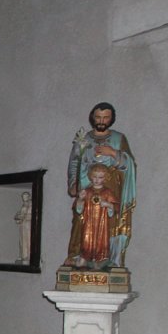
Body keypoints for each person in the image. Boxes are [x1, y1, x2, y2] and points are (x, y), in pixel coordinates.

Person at [65, 102, 135, 268]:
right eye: (98, 117)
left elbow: (130, 164)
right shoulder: (84, 139)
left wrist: (112, 153)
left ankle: (108, 259)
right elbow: (74, 163)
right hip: (86, 188)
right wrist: (73, 183)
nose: (101, 120)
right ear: (93, 118)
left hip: (110, 189)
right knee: (80, 220)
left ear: (111, 119)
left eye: (106, 117)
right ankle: (78, 256)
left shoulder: (119, 138)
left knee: (109, 222)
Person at [72, 164, 118, 270]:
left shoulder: (108, 192)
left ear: (105, 178)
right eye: (95, 177)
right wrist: (80, 199)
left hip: (102, 223)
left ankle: (101, 259)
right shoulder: (87, 192)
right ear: (90, 176)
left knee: (101, 239)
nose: (97, 180)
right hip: (89, 222)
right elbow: (78, 209)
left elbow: (116, 207)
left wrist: (108, 204)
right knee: (86, 239)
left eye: (100, 177)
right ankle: (85, 257)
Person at [14, 191, 32, 264]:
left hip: (28, 224)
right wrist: (18, 217)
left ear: (29, 197)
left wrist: (24, 216)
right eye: (23, 197)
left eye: (25, 196)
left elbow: (31, 214)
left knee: (28, 239)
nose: (24, 198)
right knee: (22, 240)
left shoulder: (31, 204)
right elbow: (21, 214)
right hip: (23, 224)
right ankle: (23, 255)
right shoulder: (24, 204)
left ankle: (28, 255)